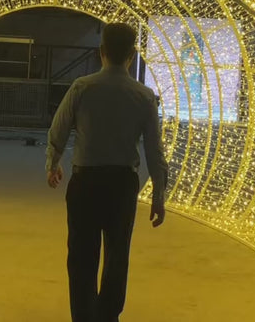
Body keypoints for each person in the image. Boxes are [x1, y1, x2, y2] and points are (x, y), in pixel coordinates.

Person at [46, 22, 169, 322]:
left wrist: (53, 163)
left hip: (85, 182)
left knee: (81, 257)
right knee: (117, 257)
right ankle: (108, 315)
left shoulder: (82, 87)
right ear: (131, 55)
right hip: (122, 185)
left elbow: (58, 129)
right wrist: (159, 194)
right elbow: (154, 150)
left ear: (101, 51)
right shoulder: (144, 96)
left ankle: (84, 315)